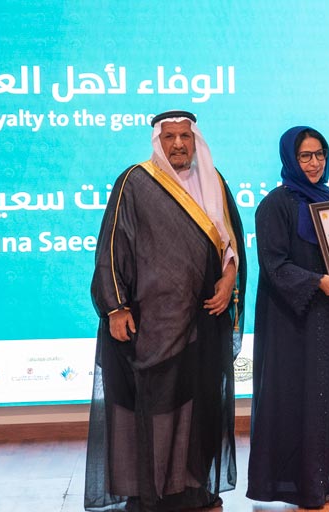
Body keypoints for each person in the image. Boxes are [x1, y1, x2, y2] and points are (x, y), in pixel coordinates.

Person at [85, 110, 247, 512]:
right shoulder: (135, 182)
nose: (178, 144)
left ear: (195, 141)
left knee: (200, 405)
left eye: (185, 137)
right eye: (170, 137)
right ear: (158, 141)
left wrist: (229, 280)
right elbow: (111, 248)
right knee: (157, 409)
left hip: (205, 319)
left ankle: (190, 487)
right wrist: (115, 307)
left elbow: (230, 244)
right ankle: (150, 491)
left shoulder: (214, 181)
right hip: (152, 323)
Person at [246, 126, 329, 509]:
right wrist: (315, 281)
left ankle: (325, 479)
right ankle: (293, 484)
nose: (314, 163)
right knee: (294, 398)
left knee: (327, 394)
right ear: (290, 159)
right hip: (291, 322)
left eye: (320, 154)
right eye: (305, 156)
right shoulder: (274, 205)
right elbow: (274, 264)